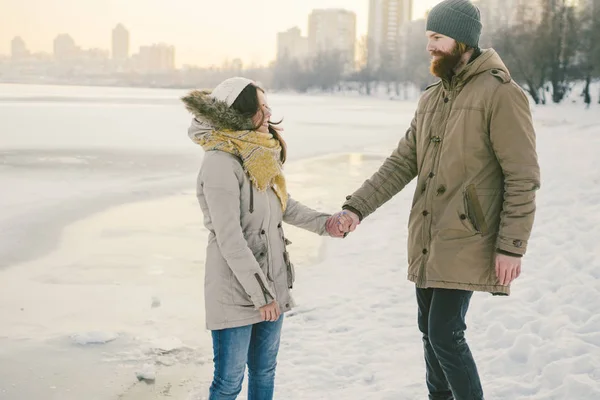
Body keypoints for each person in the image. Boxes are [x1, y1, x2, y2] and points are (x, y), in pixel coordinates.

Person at [330, 1, 541, 399]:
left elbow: (522, 176)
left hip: (467, 235)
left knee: (445, 334)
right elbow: (400, 163)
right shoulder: (431, 98)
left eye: (437, 38)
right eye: (428, 37)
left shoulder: (501, 94)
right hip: (429, 233)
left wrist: (512, 246)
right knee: (430, 334)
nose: (429, 46)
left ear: (462, 41)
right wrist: (355, 207)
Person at [182, 77, 343, 400]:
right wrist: (262, 296)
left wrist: (327, 224)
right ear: (242, 112)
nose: (268, 112)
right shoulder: (220, 163)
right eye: (261, 107)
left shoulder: (258, 154)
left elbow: (283, 205)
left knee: (264, 372)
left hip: (271, 284)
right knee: (228, 383)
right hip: (236, 292)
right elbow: (230, 239)